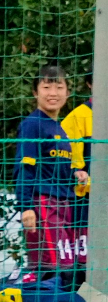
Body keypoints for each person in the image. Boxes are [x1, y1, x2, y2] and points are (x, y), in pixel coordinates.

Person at [15, 64, 85, 286]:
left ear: (68, 92)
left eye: (59, 87)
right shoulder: (32, 125)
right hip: (43, 205)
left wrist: (75, 174)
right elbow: (24, 168)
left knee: (68, 270)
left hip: (64, 205)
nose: (53, 93)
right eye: (46, 87)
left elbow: (56, 166)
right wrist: (26, 207)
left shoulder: (60, 129)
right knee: (52, 271)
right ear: (35, 92)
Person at [63, 75, 92, 266]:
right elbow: (71, 167)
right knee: (83, 264)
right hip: (85, 205)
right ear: (90, 83)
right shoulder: (77, 117)